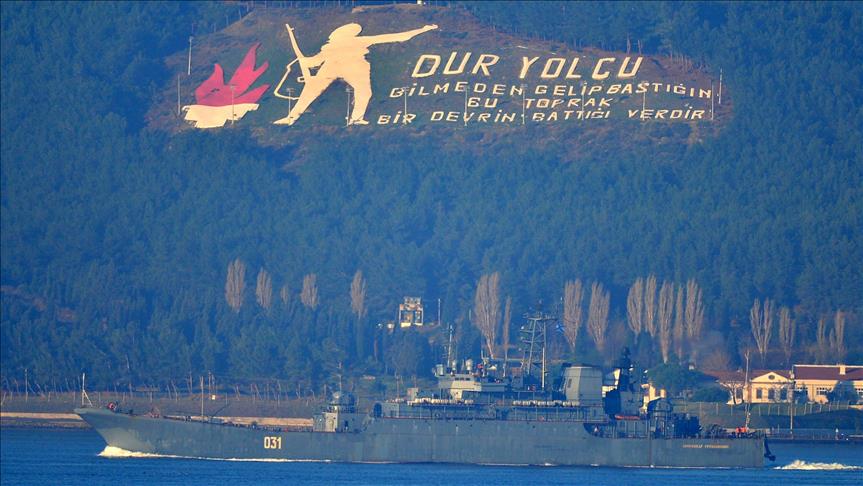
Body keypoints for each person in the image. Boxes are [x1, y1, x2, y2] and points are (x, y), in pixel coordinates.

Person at [274, 23, 437, 126]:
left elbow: (396, 37)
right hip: (332, 66)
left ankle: (356, 118)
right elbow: (315, 62)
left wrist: (421, 30)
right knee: (311, 90)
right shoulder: (329, 47)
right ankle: (291, 117)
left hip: (354, 66)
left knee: (364, 92)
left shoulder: (359, 40)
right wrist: (305, 61)